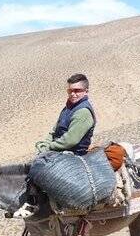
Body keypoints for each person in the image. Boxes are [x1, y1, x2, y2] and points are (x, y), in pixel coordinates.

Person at [14, 73, 97, 219]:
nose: (73, 94)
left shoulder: (83, 112)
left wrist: (49, 147)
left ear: (86, 91)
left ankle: (38, 206)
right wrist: (45, 143)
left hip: (73, 154)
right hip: (60, 151)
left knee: (39, 170)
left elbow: (70, 140)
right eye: (70, 90)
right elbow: (55, 130)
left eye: (77, 90)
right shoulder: (68, 109)